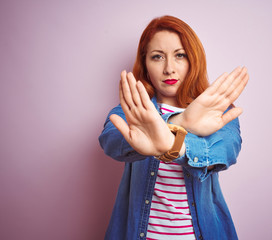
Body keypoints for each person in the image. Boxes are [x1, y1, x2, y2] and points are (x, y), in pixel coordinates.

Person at [99, 15, 249, 240]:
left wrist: (170, 141)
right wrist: (181, 124)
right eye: (157, 57)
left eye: (180, 55)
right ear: (145, 63)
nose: (169, 68)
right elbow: (111, 141)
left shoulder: (216, 109)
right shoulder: (133, 110)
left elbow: (225, 152)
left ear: (193, 60)